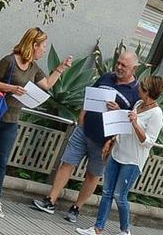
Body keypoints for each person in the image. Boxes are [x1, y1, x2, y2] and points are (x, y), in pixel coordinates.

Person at [0, 26, 71, 216]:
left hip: (12, 120)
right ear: (33, 45)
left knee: (2, 160)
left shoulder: (34, 68)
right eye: (42, 46)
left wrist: (60, 68)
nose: (43, 50)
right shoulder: (9, 61)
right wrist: (11, 88)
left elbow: (47, 85)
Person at [36, 48, 142, 219]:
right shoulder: (106, 76)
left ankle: (76, 208)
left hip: (105, 140)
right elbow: (90, 95)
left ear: (134, 69)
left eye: (124, 65)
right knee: (67, 163)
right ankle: (50, 200)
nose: (119, 67)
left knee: (93, 174)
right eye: (119, 63)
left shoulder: (136, 93)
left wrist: (119, 109)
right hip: (85, 129)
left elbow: (131, 121)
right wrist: (82, 115)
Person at [77, 76, 163, 235]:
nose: (138, 89)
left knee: (120, 196)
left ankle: (125, 230)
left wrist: (135, 123)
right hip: (118, 152)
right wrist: (112, 140)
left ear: (148, 92)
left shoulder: (156, 114)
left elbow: (148, 141)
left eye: (142, 87)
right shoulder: (138, 104)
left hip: (133, 160)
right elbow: (124, 126)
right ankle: (98, 229)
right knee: (107, 192)